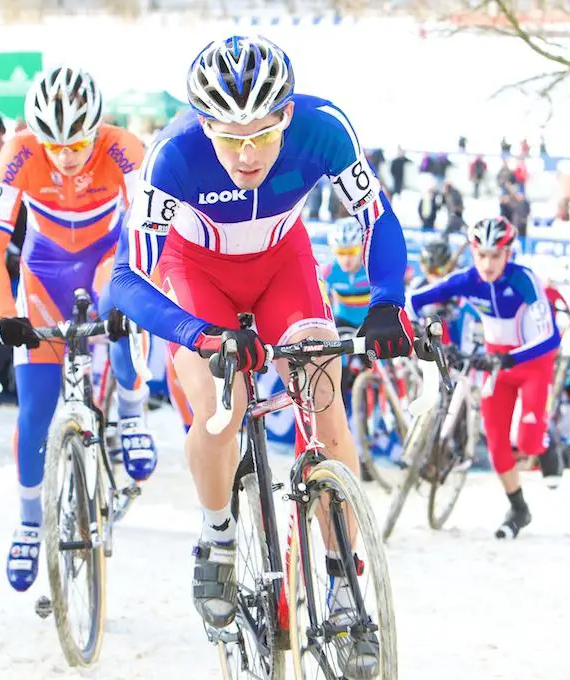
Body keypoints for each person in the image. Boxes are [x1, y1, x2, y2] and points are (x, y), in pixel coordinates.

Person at [108, 36, 416, 677]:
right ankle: (219, 535)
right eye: (229, 138)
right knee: (225, 407)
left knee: (326, 409)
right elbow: (125, 280)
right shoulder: (173, 154)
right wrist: (202, 337)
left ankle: (341, 582)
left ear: (286, 118)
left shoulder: (324, 128)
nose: (246, 155)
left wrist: (389, 301)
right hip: (199, 278)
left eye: (262, 136)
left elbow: (377, 219)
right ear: (204, 127)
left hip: (283, 267)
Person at [0, 65, 156, 594]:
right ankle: (30, 520)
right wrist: (5, 313)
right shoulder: (20, 153)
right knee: (34, 409)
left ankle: (130, 409)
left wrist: (142, 291)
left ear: (97, 129)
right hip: (43, 275)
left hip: (108, 258)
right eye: (53, 143)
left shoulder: (124, 147)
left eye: (77, 141)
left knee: (120, 308)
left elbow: (152, 229)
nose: (66, 155)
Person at [407, 217, 561, 538]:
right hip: (495, 363)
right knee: (496, 445)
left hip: (532, 362)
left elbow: (550, 337)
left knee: (529, 441)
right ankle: (518, 508)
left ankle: (546, 441)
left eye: (495, 256)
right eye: (482, 256)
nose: (488, 264)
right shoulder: (467, 279)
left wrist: (511, 358)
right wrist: (414, 324)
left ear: (508, 254)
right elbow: (414, 299)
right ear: (473, 253)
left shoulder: (524, 280)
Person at [323, 218, 371, 330]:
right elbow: (322, 304)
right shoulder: (329, 272)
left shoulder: (370, 268)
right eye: (340, 252)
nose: (346, 259)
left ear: (362, 248)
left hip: (369, 321)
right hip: (342, 322)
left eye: (352, 252)